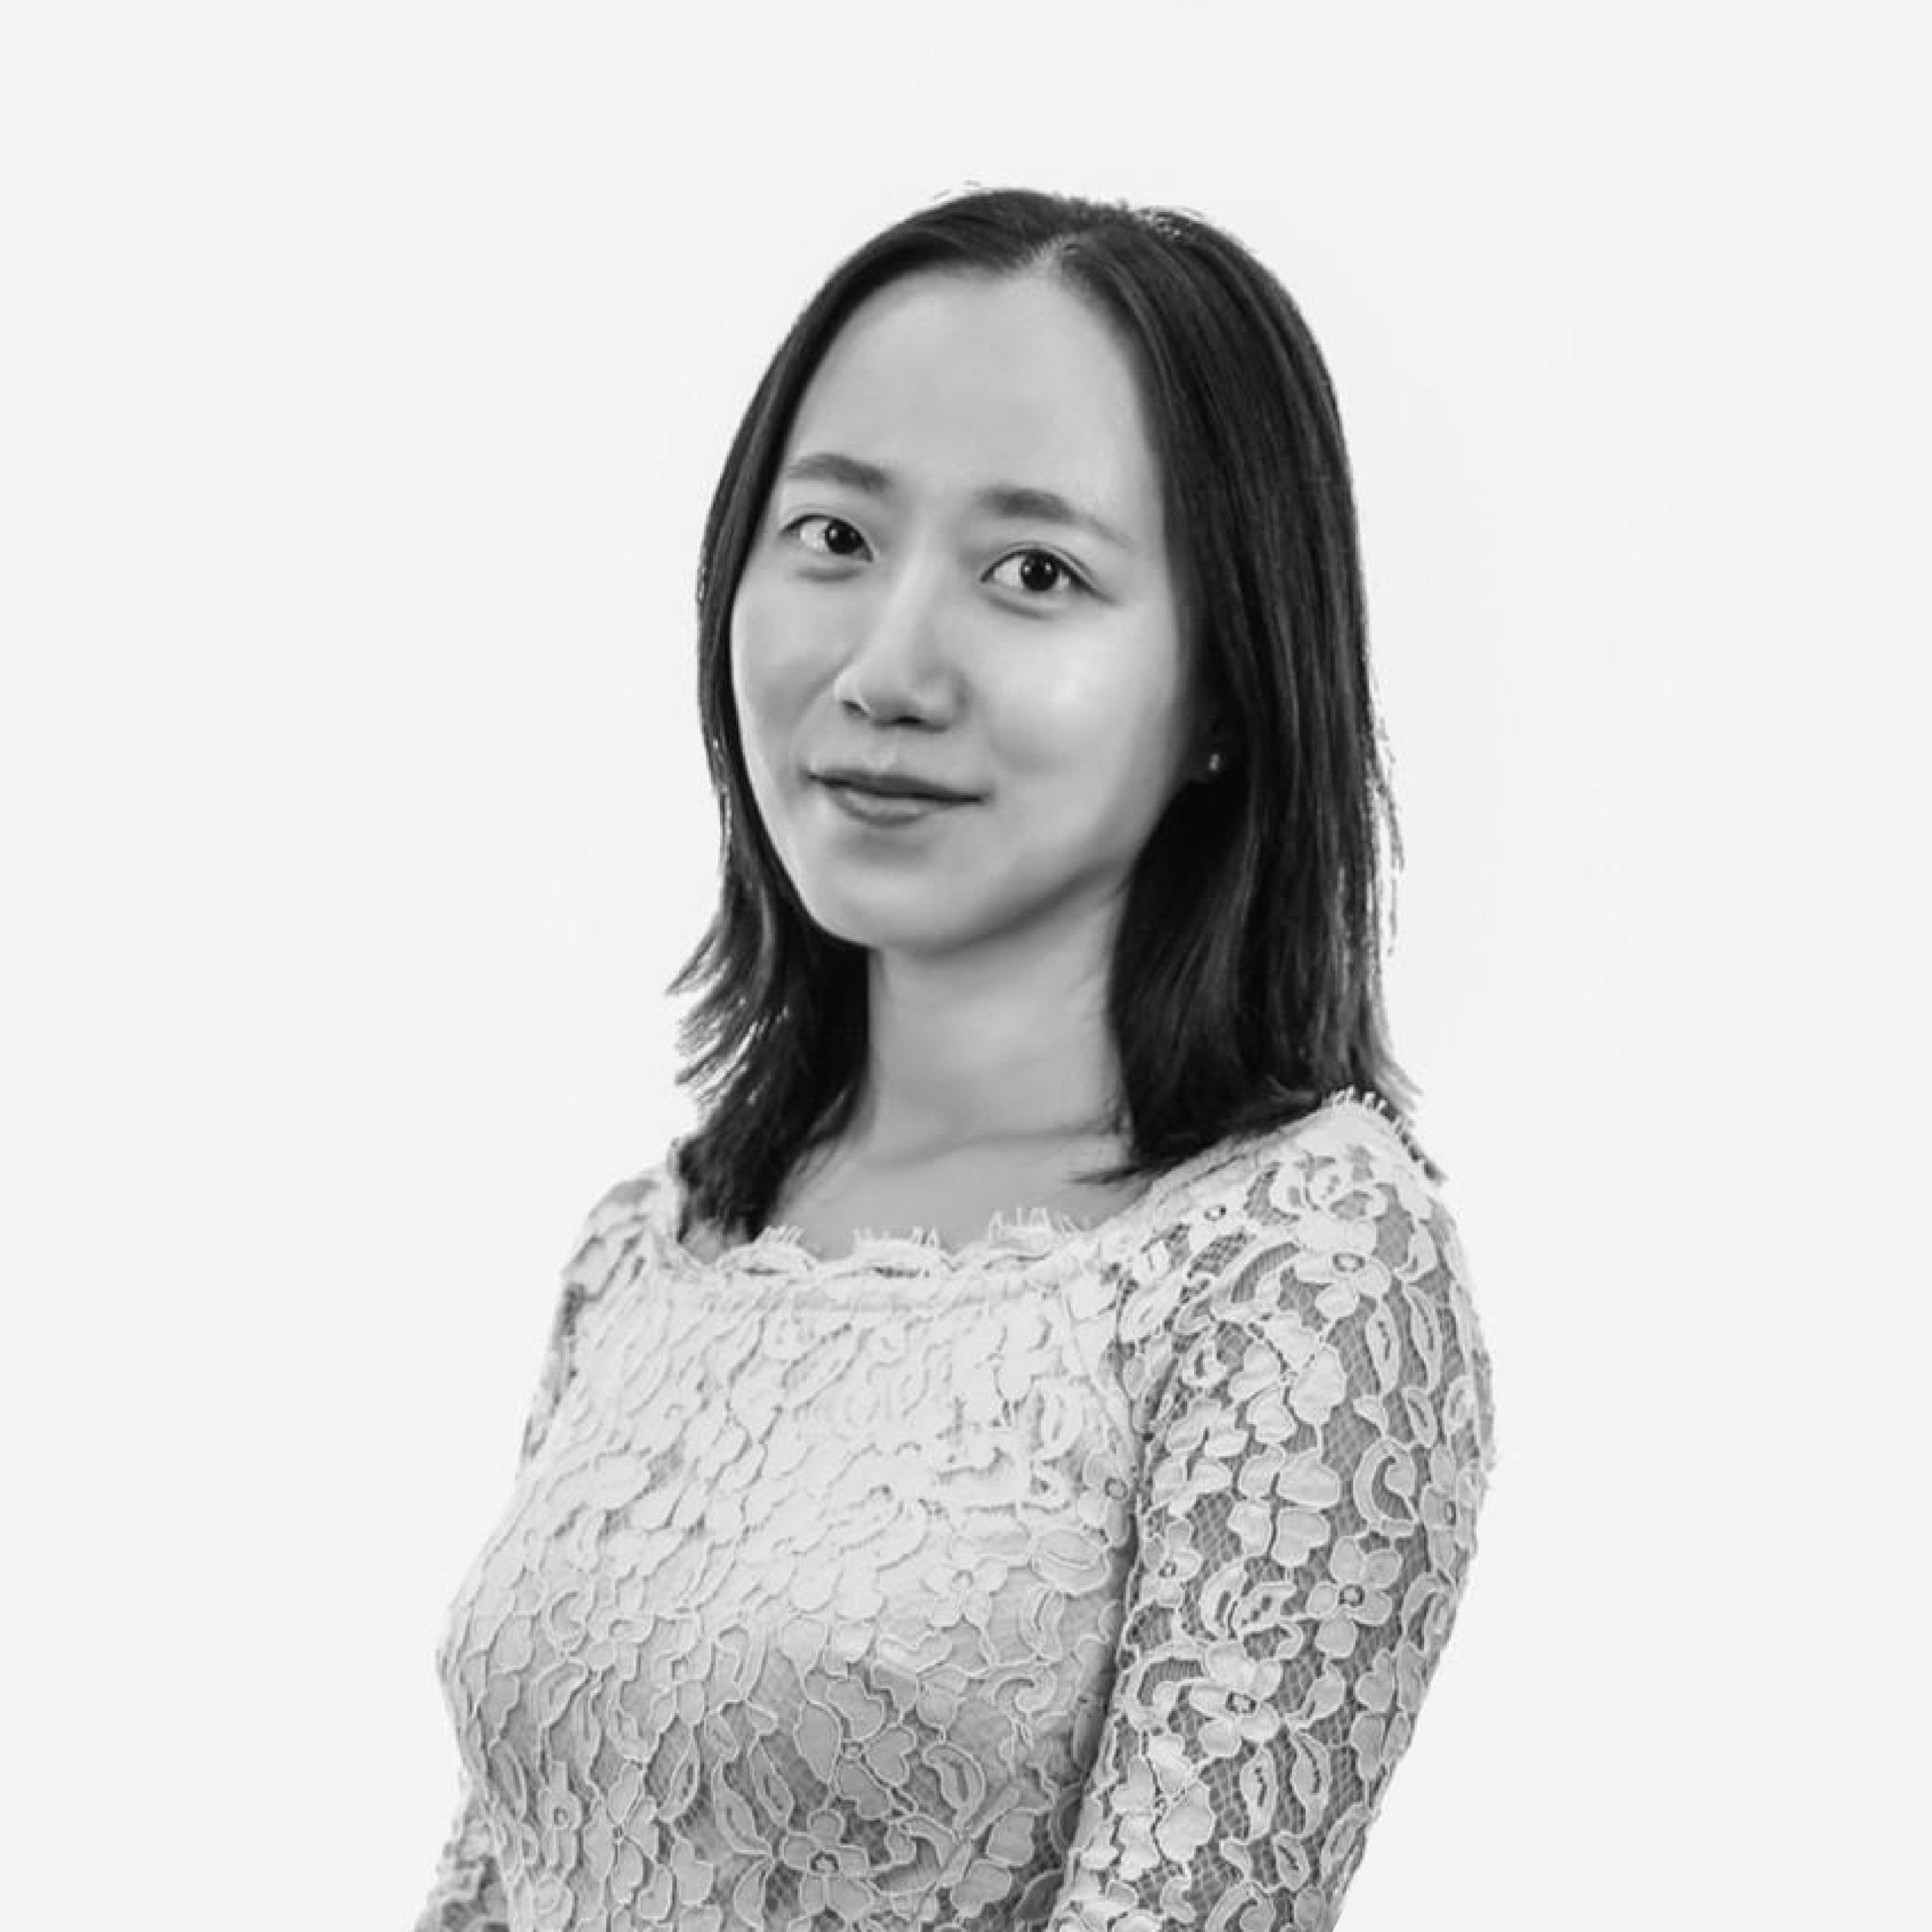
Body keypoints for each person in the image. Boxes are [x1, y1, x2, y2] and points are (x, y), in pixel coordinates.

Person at [414, 186, 1498, 1932]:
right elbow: (487, 1877)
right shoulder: (653, 1249)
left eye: (1032, 573)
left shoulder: (1295, 1264)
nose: (884, 667)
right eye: (834, 535)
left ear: (1228, 684)